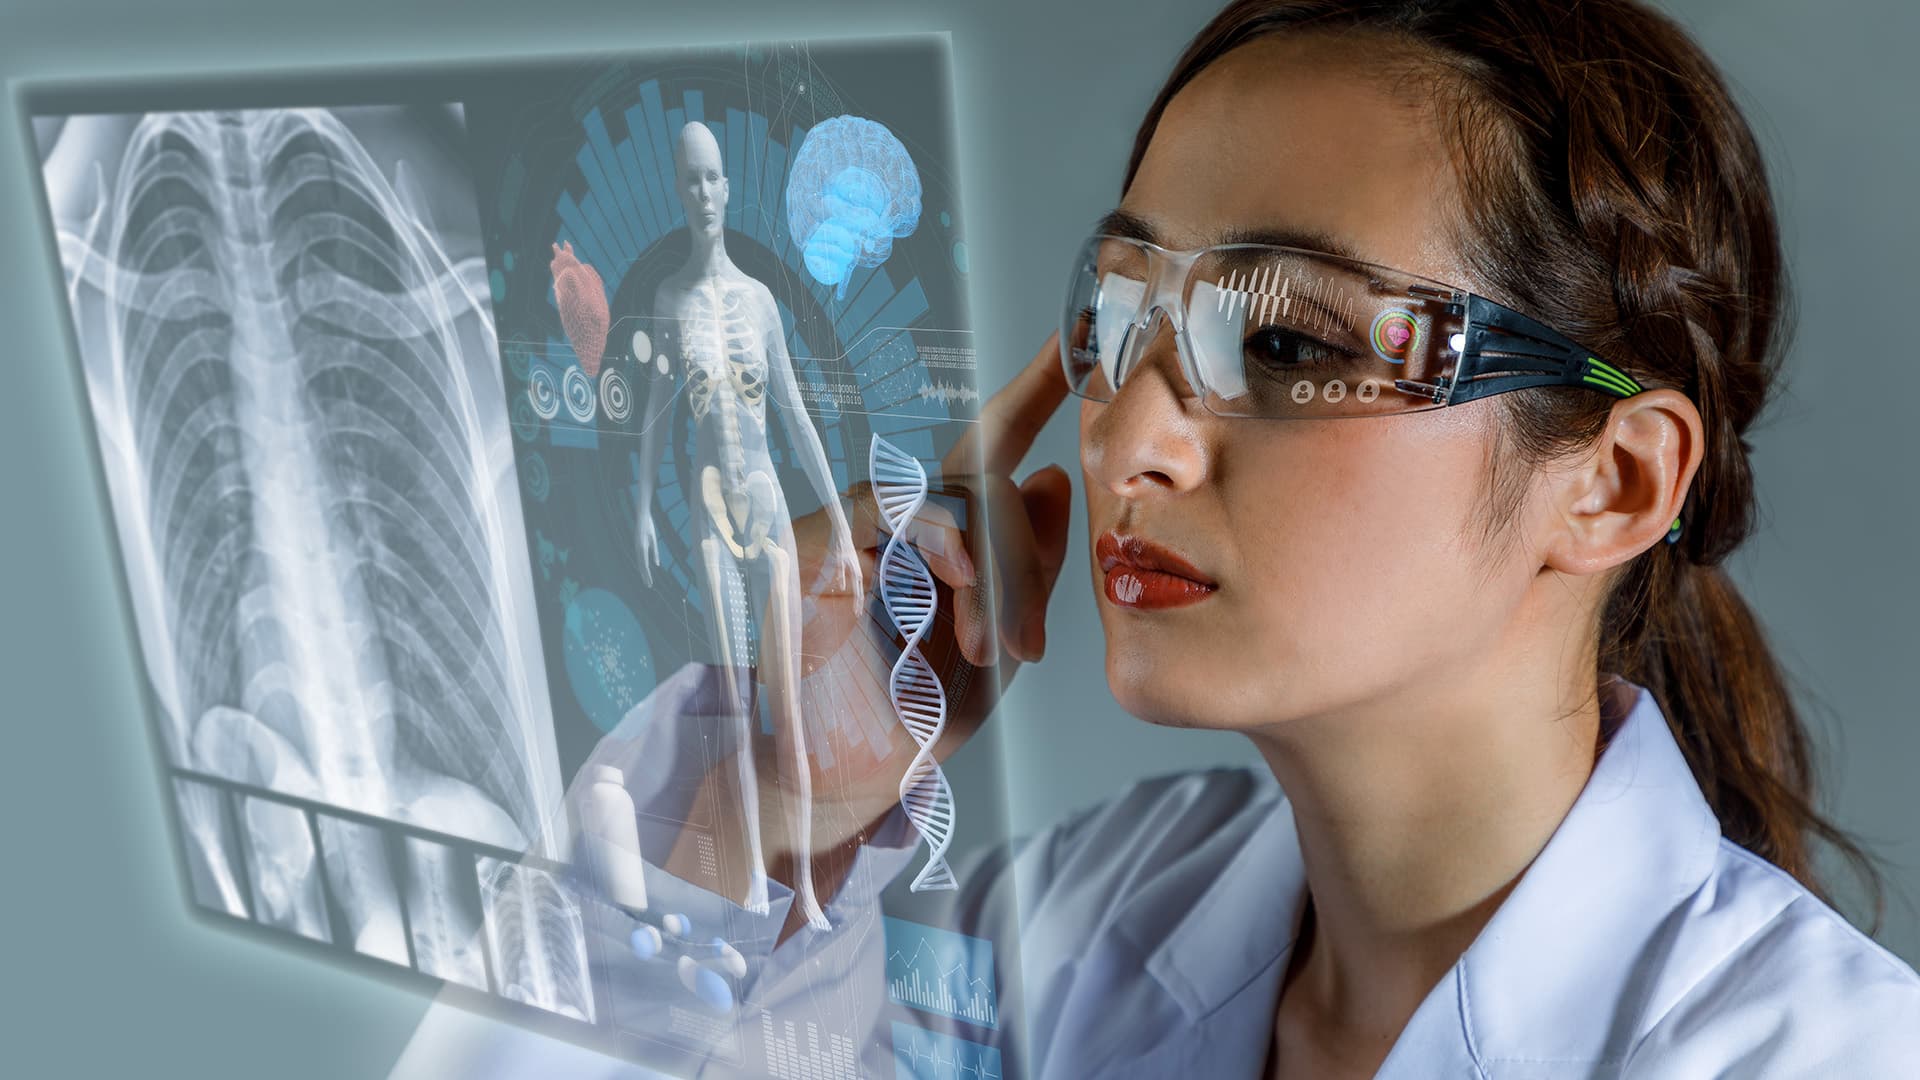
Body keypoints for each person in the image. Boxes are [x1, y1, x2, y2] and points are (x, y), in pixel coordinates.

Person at [392, 1, 1920, 1076]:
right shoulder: (1064, 935)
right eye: (1121, 317)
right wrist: (764, 805)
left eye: (1291, 344)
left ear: (1616, 484)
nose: (1131, 435)